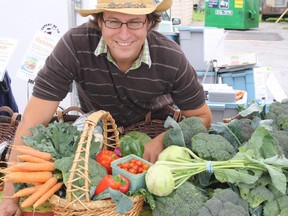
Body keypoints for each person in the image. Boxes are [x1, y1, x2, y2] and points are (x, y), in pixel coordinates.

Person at [0, 0, 212, 214]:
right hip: (96, 145)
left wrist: (164, 140)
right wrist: (9, 197)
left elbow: (202, 116)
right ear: (100, 21)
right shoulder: (75, 45)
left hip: (151, 149)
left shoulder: (171, 57)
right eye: (113, 21)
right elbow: (32, 121)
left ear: (149, 22)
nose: (124, 34)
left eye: (135, 22)